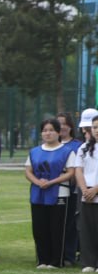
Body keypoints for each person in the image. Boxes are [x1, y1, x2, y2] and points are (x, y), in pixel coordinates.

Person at [25, 118, 72, 269]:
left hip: (59, 193)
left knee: (56, 228)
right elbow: (28, 171)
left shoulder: (67, 151)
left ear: (58, 132)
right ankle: (42, 260)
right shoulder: (35, 151)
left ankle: (56, 261)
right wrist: (38, 182)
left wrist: (51, 182)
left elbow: (71, 172)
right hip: (38, 193)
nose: (48, 133)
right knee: (39, 228)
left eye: (51, 130)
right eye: (45, 130)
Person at [68, 109, 98, 272]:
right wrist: (84, 188)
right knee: (86, 228)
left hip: (95, 191)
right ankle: (88, 262)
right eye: (94, 127)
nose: (96, 130)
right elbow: (79, 169)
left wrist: (95, 189)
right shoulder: (84, 148)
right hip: (86, 194)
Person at [57, 112, 82, 265]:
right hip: (53, 190)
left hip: (71, 191)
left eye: (64, 123)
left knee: (70, 225)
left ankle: (69, 256)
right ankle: (55, 254)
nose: (61, 126)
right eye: (58, 123)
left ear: (70, 126)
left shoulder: (77, 145)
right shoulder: (51, 144)